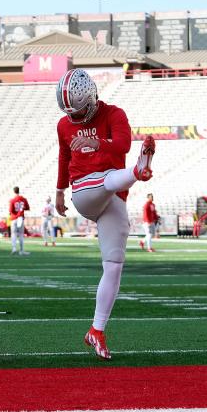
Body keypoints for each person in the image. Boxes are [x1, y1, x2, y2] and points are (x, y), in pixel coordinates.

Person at [54, 68, 155, 360]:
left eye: (79, 110)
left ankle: (96, 330)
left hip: (113, 195)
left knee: (113, 264)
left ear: (93, 98)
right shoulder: (64, 125)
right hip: (85, 192)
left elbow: (122, 144)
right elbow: (64, 156)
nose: (73, 118)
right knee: (110, 175)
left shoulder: (113, 114)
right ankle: (138, 171)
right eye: (69, 113)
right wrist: (60, 190)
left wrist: (97, 142)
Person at [8, 187, 30, 256]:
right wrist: (21, 210)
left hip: (14, 218)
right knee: (21, 235)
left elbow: (11, 210)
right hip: (20, 218)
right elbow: (27, 208)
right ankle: (21, 250)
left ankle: (14, 248)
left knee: (13, 234)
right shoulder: (23, 199)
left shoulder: (12, 200)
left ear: (14, 191)